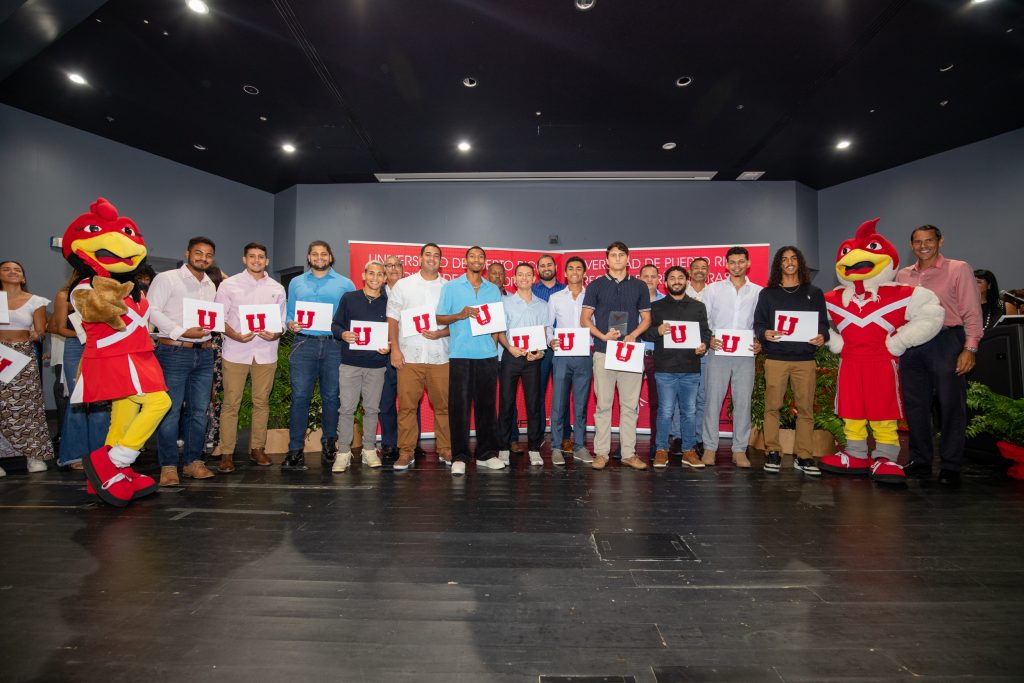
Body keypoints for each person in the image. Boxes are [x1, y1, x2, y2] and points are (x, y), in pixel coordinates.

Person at [896, 225, 984, 487]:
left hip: (947, 340)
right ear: (911, 245)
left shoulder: (958, 269)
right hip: (913, 344)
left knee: (950, 405)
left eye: (929, 240)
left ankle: (951, 465)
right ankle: (921, 461)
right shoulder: (902, 275)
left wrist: (970, 348)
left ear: (940, 241)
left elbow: (971, 310)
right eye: (918, 242)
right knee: (915, 406)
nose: (924, 246)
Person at [147, 236, 218, 484]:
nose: (203, 258)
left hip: (204, 353)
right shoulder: (167, 278)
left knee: (199, 412)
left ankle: (192, 462)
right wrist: (181, 331)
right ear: (187, 253)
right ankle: (168, 466)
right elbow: (151, 309)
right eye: (198, 253)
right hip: (173, 351)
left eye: (208, 255)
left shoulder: (210, 285)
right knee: (170, 410)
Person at [753, 246, 828, 476]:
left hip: (805, 359)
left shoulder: (813, 292)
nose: (789, 262)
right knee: (772, 407)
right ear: (778, 264)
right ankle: (773, 451)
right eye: (784, 259)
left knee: (805, 410)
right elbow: (759, 323)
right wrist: (764, 333)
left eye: (793, 258)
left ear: (800, 263)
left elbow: (823, 324)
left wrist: (821, 336)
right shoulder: (767, 293)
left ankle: (804, 456)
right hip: (776, 358)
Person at [282, 241, 354, 471]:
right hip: (304, 343)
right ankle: (295, 450)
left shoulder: (345, 283)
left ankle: (329, 444)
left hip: (334, 346)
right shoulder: (296, 282)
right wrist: (290, 323)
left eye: (324, 254)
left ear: (331, 257)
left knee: (332, 397)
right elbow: (289, 313)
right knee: (300, 397)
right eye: (315, 254)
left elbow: (350, 316)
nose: (320, 257)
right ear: (309, 257)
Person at [580, 241, 651, 470]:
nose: (618, 258)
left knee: (630, 406)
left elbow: (647, 319)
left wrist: (633, 334)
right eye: (613, 255)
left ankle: (629, 454)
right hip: (603, 350)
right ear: (607, 260)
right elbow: (585, 319)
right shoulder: (596, 285)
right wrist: (602, 336)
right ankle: (601, 453)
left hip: (630, 351)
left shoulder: (640, 286)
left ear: (628, 258)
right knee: (603, 405)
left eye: (622, 255)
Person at [215, 242, 286, 468]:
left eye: (261, 257)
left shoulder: (277, 288)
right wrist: (235, 334)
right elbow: (219, 317)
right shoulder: (229, 285)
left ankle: (257, 448)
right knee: (230, 403)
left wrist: (275, 333)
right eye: (252, 256)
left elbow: (282, 322)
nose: (257, 260)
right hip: (236, 351)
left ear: (267, 261)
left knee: (261, 403)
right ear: (244, 259)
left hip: (266, 354)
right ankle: (227, 453)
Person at [436, 246, 505, 476]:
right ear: (465, 261)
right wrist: (460, 315)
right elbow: (439, 316)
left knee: (487, 407)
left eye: (481, 256)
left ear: (485, 262)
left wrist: (493, 350)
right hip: (460, 355)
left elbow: (496, 324)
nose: (477, 260)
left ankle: (487, 454)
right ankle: (460, 456)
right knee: (460, 409)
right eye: (472, 256)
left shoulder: (493, 289)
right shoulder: (451, 287)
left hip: (487, 356)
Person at [387, 243, 452, 470]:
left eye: (436, 256)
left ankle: (445, 448)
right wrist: (395, 349)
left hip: (440, 356)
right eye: (428, 255)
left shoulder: (449, 288)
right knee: (406, 407)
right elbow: (392, 319)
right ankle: (406, 452)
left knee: (444, 406)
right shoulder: (403, 286)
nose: (432, 259)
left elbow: (456, 322)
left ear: (440, 261)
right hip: (409, 357)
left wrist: (442, 332)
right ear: (420, 258)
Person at [641, 266, 710, 468]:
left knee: (689, 411)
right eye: (672, 278)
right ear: (666, 282)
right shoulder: (657, 307)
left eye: (681, 277)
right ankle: (662, 449)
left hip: (691, 367)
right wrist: (658, 331)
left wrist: (704, 345)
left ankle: (689, 450)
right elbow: (645, 335)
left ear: (687, 281)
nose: (677, 281)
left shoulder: (698, 307)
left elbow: (706, 332)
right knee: (665, 411)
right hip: (665, 368)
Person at [701, 247, 763, 467]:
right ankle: (710, 448)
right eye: (732, 262)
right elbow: (704, 320)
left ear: (748, 264)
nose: (737, 265)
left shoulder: (758, 291)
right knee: (712, 401)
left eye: (741, 261)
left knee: (743, 402)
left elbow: (761, 323)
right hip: (718, 352)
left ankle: (739, 450)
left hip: (745, 353)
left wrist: (759, 342)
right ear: (726, 265)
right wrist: (708, 339)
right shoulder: (712, 290)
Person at [330, 261, 391, 472]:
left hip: (376, 365)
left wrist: (389, 346)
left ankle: (369, 449)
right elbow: (335, 325)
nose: (375, 277)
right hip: (350, 364)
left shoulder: (389, 302)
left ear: (385, 278)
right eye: (371, 273)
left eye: (380, 274)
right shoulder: (349, 298)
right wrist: (343, 334)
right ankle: (344, 452)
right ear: (364, 275)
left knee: (372, 409)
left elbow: (394, 333)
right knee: (346, 409)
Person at [49, 270, 111, 471]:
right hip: (76, 348)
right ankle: (74, 454)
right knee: (77, 401)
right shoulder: (64, 295)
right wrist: (82, 333)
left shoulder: (106, 294)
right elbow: (58, 327)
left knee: (100, 403)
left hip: (101, 347)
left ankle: (99, 453)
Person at [0, 260, 54, 476]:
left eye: (17, 270)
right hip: (0, 353)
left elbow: (41, 330)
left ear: (23, 277)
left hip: (22, 356)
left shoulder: (35, 301)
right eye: (6, 269)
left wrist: (36, 333)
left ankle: (34, 455)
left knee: (29, 405)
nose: (12, 272)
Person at [496, 263, 549, 466]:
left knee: (533, 404)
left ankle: (534, 448)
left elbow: (543, 335)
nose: (524, 278)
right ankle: (503, 447)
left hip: (532, 360)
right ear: (514, 279)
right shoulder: (504, 302)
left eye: (528, 275)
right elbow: (499, 332)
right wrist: (509, 348)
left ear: (533, 279)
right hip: (511, 357)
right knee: (506, 403)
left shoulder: (542, 305)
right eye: (520, 275)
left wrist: (539, 353)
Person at [547, 256, 593, 465]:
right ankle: (556, 447)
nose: (574, 272)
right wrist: (550, 340)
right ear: (564, 273)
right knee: (558, 403)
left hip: (585, 355)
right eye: (571, 268)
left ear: (584, 273)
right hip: (562, 357)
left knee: (581, 404)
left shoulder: (592, 296)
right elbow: (548, 326)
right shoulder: (556, 297)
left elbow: (597, 323)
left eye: (578, 269)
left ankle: (580, 446)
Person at [531, 254, 569, 451]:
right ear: (537, 270)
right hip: (539, 347)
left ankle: (565, 436)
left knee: (562, 393)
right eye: (542, 265)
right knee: (537, 392)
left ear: (556, 267)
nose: (546, 268)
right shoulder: (531, 290)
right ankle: (537, 434)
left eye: (549, 265)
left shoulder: (565, 289)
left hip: (563, 346)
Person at [488, 261, 520, 448]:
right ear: (487, 276)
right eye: (494, 273)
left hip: (509, 357)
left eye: (501, 274)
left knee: (508, 400)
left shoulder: (513, 300)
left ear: (506, 277)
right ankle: (493, 439)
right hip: (487, 357)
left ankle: (513, 438)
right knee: (488, 399)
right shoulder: (481, 299)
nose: (498, 276)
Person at [378, 255, 405, 460]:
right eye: (389, 265)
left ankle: (410, 443)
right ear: (384, 271)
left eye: (397, 265)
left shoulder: (411, 292)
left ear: (403, 269)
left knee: (410, 402)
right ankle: (388, 443)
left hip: (406, 353)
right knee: (385, 402)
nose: (393, 268)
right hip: (381, 357)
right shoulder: (376, 294)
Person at [686, 257, 711, 455]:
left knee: (702, 397)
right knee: (681, 398)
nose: (699, 271)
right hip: (681, 353)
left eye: (703, 268)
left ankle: (699, 437)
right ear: (690, 271)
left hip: (705, 351)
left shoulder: (715, 292)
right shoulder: (680, 290)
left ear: (708, 271)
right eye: (696, 268)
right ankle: (679, 436)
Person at [639, 263, 664, 456]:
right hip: (634, 355)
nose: (649, 280)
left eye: (653, 276)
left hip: (658, 357)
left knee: (658, 403)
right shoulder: (632, 301)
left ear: (659, 279)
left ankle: (657, 443)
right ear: (639, 278)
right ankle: (626, 445)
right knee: (629, 403)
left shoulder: (666, 302)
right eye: (645, 276)